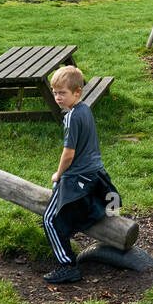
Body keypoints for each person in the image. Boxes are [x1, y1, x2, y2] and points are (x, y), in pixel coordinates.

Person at [42, 65, 120, 283]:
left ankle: (67, 265)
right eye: (55, 92)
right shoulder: (85, 109)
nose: (57, 97)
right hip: (96, 174)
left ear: (77, 92)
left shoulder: (71, 118)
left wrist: (58, 174)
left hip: (78, 178)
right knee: (65, 215)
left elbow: (68, 154)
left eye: (62, 93)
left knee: (49, 219)